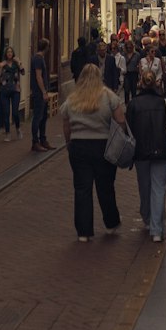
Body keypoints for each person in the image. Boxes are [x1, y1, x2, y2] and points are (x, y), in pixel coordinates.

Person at [61, 63, 126, 241]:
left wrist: (69, 142)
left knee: (82, 188)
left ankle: (84, 231)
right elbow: (120, 120)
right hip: (103, 146)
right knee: (105, 186)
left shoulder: (72, 99)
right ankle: (111, 223)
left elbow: (66, 124)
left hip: (79, 146)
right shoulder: (108, 96)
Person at [126, 69, 166, 241]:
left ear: (140, 83)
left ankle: (147, 218)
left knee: (144, 187)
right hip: (162, 150)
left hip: (141, 152)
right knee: (159, 188)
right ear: (156, 83)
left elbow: (128, 130)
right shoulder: (164, 102)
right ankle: (156, 230)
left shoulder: (133, 104)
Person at [0, 46, 24, 141]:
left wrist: (20, 63)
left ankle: (18, 129)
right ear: (5, 54)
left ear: (13, 53)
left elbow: (23, 72)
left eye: (11, 52)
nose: (9, 53)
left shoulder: (16, 64)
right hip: (4, 91)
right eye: (8, 52)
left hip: (15, 90)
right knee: (6, 112)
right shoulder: (2, 64)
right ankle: (8, 133)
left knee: (15, 112)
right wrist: (0, 67)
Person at [30, 38, 52, 152]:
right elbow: (38, 76)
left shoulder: (39, 58)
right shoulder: (38, 59)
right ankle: (35, 142)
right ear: (46, 47)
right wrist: (43, 92)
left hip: (42, 92)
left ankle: (43, 140)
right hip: (39, 93)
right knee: (38, 117)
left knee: (43, 117)